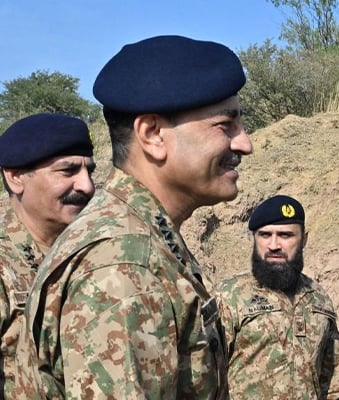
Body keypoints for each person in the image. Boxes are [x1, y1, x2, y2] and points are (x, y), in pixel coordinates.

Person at [20, 35, 252, 399]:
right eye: (226, 125)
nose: (244, 143)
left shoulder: (140, 236)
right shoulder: (123, 265)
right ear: (153, 134)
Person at [0, 113, 95, 398]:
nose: (87, 185)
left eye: (89, 171)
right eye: (68, 171)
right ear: (16, 178)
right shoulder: (5, 265)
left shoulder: (91, 254)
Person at [217, 195, 339, 399]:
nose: (274, 245)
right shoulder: (229, 296)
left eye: (285, 235)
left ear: (304, 239)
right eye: (265, 235)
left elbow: (333, 385)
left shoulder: (319, 300)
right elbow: (204, 378)